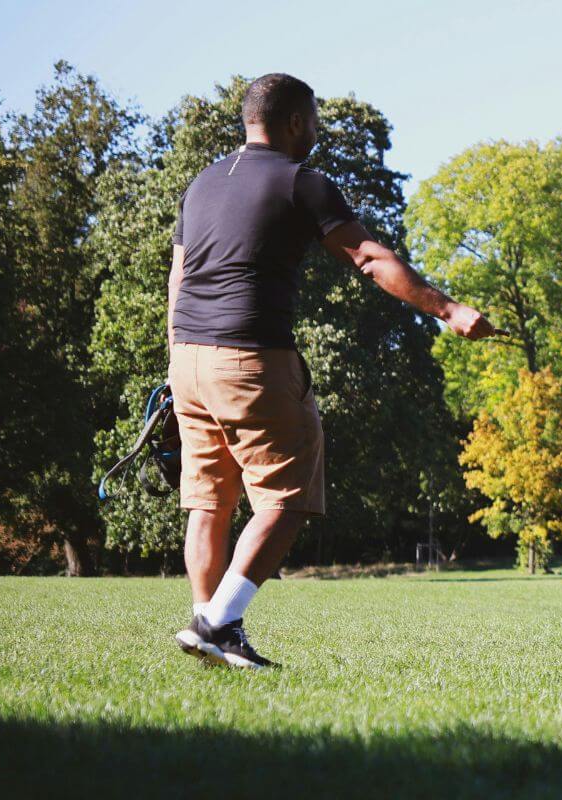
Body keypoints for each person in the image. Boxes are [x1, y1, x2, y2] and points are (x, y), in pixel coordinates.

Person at [168, 73, 495, 669]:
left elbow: (180, 276)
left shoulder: (202, 182)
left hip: (187, 357)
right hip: (252, 356)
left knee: (207, 504)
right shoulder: (302, 182)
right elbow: (369, 258)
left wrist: (178, 357)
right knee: (287, 499)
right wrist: (447, 309)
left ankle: (211, 630)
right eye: (313, 120)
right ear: (294, 121)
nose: (315, 132)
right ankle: (216, 622)